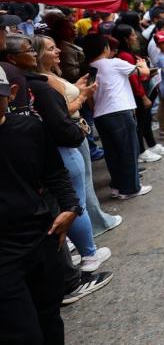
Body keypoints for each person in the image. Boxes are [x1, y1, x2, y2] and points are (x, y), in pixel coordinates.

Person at [0, 66, 95, 344]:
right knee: (22, 331)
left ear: (12, 94)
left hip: (40, 239)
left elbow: (54, 172)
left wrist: (70, 208)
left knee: (50, 318)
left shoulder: (29, 129)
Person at [27, 34, 114, 274]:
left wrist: (77, 87)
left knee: (72, 198)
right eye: (50, 48)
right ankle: (89, 254)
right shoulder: (42, 81)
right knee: (75, 200)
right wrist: (84, 95)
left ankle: (78, 250)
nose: (57, 52)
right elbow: (61, 111)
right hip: (66, 141)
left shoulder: (45, 77)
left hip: (66, 139)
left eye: (56, 47)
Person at [82, 33, 153, 199]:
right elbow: (143, 74)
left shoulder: (89, 67)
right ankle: (130, 188)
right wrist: (143, 64)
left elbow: (90, 97)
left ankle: (117, 186)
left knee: (112, 152)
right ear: (105, 48)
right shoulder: (114, 63)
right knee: (128, 150)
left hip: (101, 115)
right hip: (119, 111)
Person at [113, 24, 164, 162]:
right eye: (132, 35)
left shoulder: (129, 53)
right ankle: (141, 151)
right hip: (138, 94)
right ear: (126, 39)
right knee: (140, 122)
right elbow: (133, 79)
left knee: (146, 120)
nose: (135, 37)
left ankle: (151, 144)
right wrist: (143, 96)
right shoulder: (125, 55)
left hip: (143, 91)